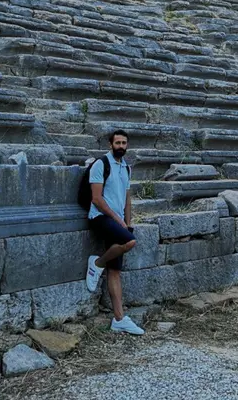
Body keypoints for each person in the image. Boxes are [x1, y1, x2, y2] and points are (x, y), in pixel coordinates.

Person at [86, 130, 144, 335]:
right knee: (130, 242)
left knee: (115, 271)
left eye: (124, 143)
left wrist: (127, 222)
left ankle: (119, 319)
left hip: (117, 221)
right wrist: (119, 221)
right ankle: (97, 263)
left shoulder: (126, 167)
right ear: (110, 145)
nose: (121, 146)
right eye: (117, 143)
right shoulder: (101, 164)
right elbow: (96, 199)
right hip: (100, 217)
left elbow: (127, 198)